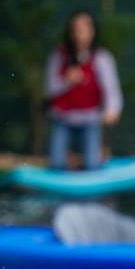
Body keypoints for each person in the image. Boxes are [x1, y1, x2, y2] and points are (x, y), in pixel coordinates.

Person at [44, 10, 123, 171]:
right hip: (63, 118)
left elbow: (111, 89)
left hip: (90, 119)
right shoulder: (59, 56)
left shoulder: (102, 58)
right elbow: (49, 89)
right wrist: (66, 81)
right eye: (76, 29)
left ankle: (93, 160)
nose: (80, 34)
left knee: (92, 165)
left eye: (84, 29)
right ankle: (70, 164)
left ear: (93, 31)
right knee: (57, 164)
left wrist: (113, 110)